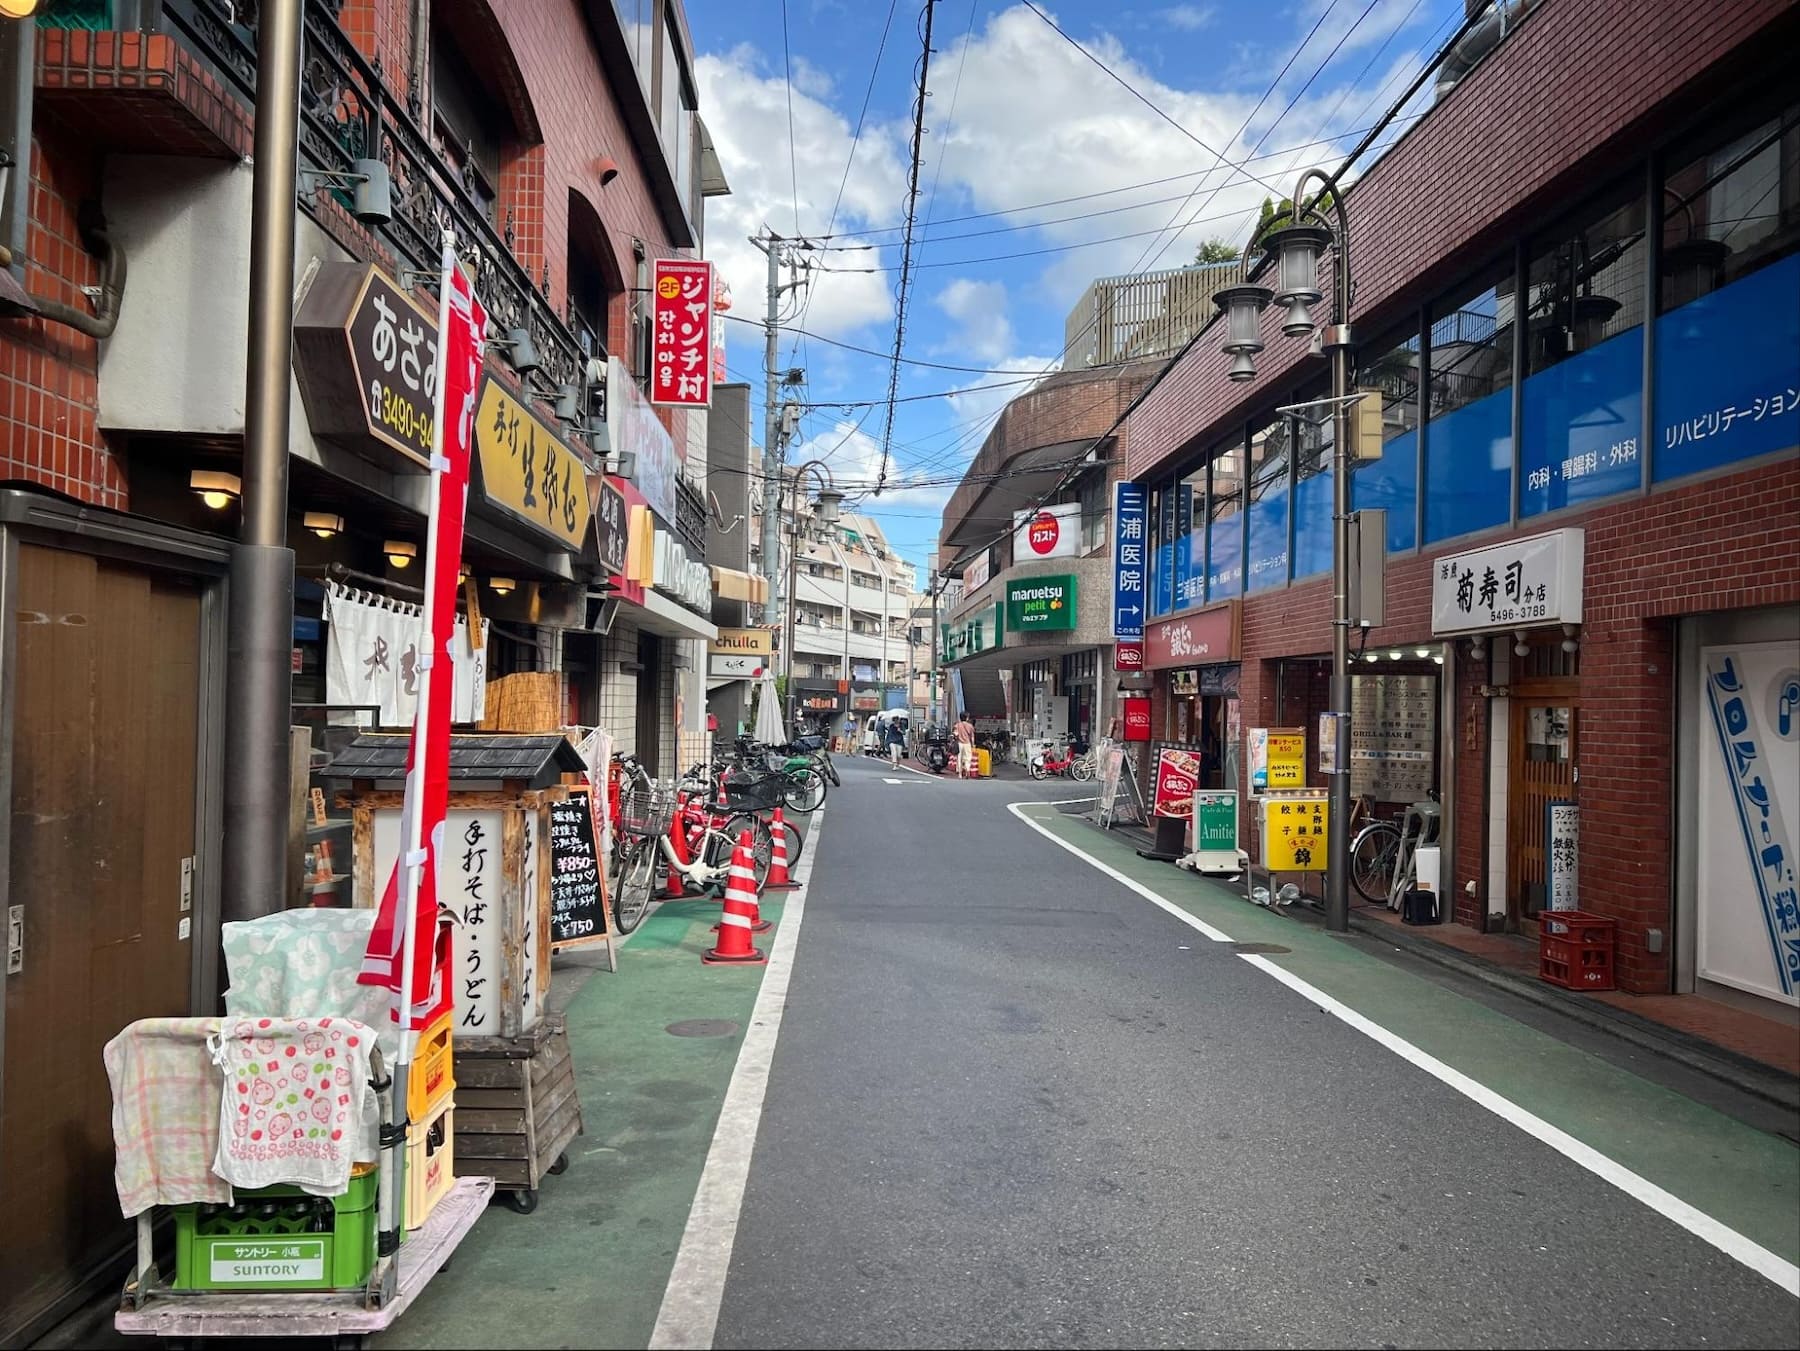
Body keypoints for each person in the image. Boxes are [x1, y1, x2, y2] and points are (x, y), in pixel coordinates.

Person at [953, 711, 976, 778]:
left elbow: (955, 734)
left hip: (959, 743)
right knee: (968, 758)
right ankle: (967, 769)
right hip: (967, 743)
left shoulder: (957, 725)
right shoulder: (970, 726)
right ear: (967, 718)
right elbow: (972, 737)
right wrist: (973, 744)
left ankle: (960, 774)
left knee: (959, 758)